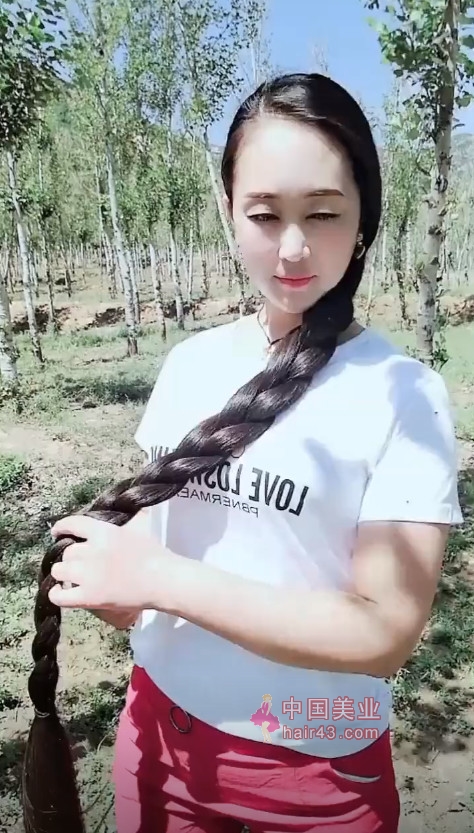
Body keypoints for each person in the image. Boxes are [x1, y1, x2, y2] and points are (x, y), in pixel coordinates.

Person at [22, 72, 463, 833]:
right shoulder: (191, 363)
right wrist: (120, 585)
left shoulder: (403, 392)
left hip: (317, 774)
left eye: (323, 213)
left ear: (364, 219)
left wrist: (161, 579)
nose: (292, 247)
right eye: (264, 214)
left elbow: (385, 633)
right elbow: (160, 543)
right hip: (159, 740)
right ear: (229, 212)